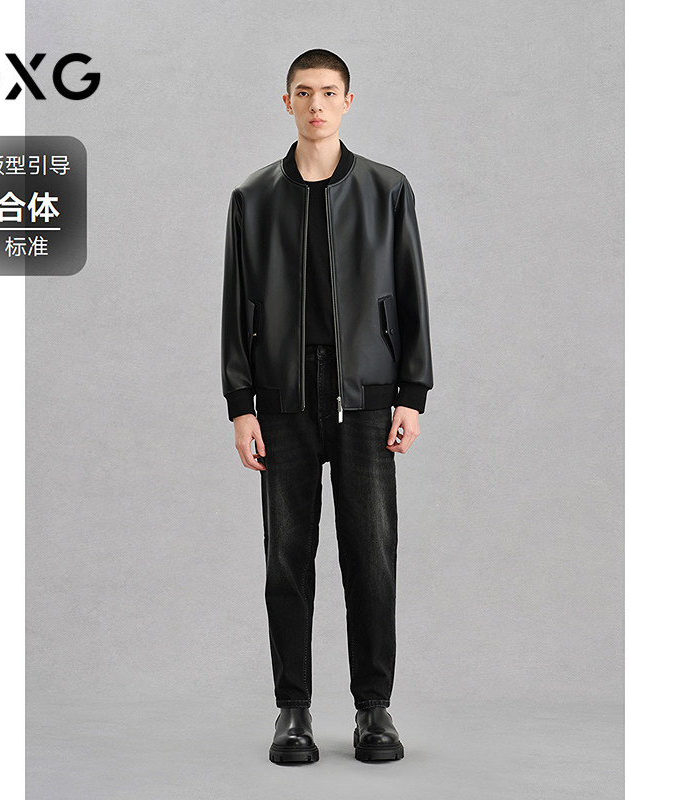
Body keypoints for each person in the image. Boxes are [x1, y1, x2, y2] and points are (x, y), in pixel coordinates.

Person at [220, 48, 433, 764]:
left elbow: (410, 292)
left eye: (329, 92)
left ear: (348, 101)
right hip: (282, 399)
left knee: (371, 555)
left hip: (367, 397)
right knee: (287, 558)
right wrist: (241, 403)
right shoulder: (253, 196)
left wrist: (411, 394)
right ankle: (293, 711)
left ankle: (374, 709)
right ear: (287, 102)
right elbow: (236, 304)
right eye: (304, 92)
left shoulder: (387, 190)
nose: (317, 104)